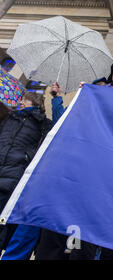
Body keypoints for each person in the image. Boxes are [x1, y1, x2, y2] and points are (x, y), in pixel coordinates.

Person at [34, 56, 113, 260]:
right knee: (52, 236)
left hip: (101, 182)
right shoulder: (93, 95)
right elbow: (64, 123)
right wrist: (62, 97)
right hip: (73, 173)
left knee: (83, 242)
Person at [0, 92, 52, 259]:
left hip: (13, 180)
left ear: (36, 103)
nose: (20, 102)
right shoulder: (9, 118)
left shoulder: (43, 124)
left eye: (25, 99)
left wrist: (56, 98)